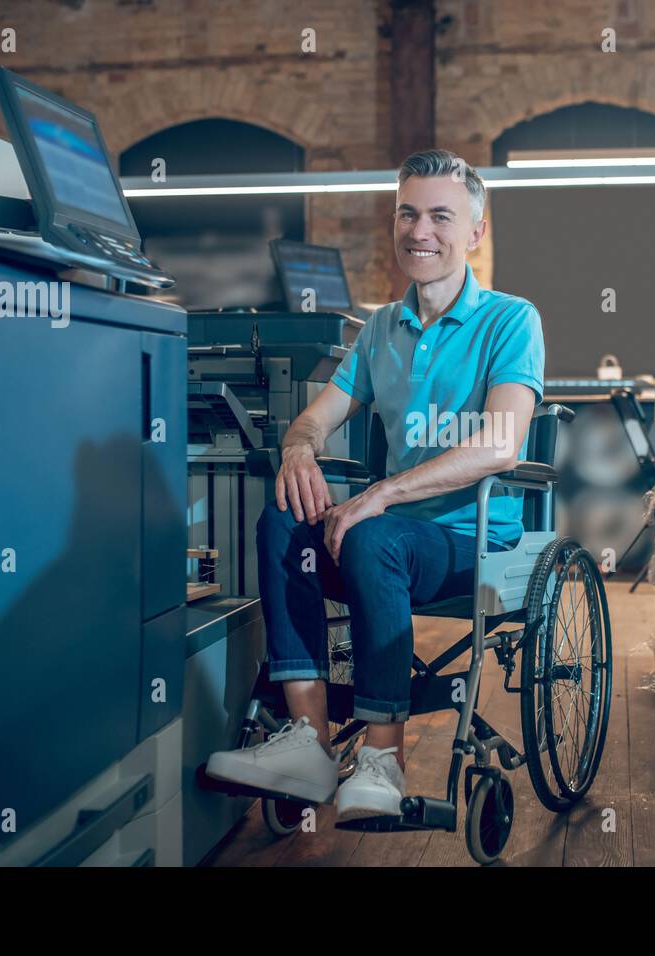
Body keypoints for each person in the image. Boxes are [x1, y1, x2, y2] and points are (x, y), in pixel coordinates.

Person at [205, 149, 545, 821]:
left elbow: (503, 442)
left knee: (371, 536)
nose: (420, 231)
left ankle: (383, 759)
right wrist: (299, 449)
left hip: (467, 537)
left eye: (441, 216)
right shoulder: (380, 330)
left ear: (475, 231)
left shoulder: (511, 319)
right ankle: (308, 740)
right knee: (283, 519)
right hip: (387, 541)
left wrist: (383, 493)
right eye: (407, 213)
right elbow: (316, 417)